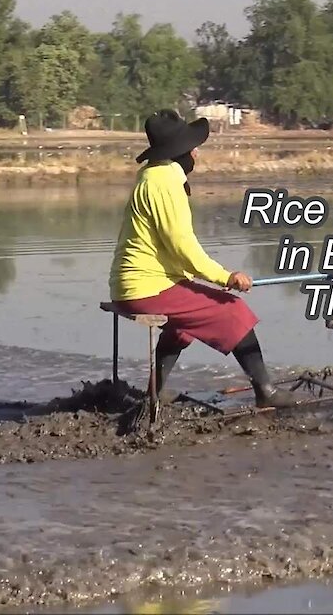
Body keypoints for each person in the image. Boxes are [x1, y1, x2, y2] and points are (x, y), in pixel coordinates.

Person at [108, 109, 297, 429]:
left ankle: (155, 392)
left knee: (181, 326)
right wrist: (226, 277)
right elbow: (183, 247)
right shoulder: (164, 183)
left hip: (139, 283)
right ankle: (266, 391)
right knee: (233, 310)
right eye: (192, 146)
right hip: (145, 287)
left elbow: (176, 251)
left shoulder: (153, 175)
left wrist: (209, 276)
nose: (196, 152)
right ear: (178, 152)